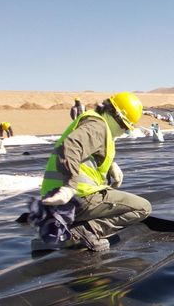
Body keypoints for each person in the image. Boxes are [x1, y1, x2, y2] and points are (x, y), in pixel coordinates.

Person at [33, 92, 152, 252]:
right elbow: (72, 146)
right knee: (143, 207)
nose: (124, 132)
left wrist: (111, 165)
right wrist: (69, 187)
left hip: (55, 199)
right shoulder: (98, 126)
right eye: (124, 126)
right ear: (117, 116)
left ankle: (66, 229)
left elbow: (85, 148)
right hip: (76, 197)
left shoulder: (94, 121)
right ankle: (84, 232)